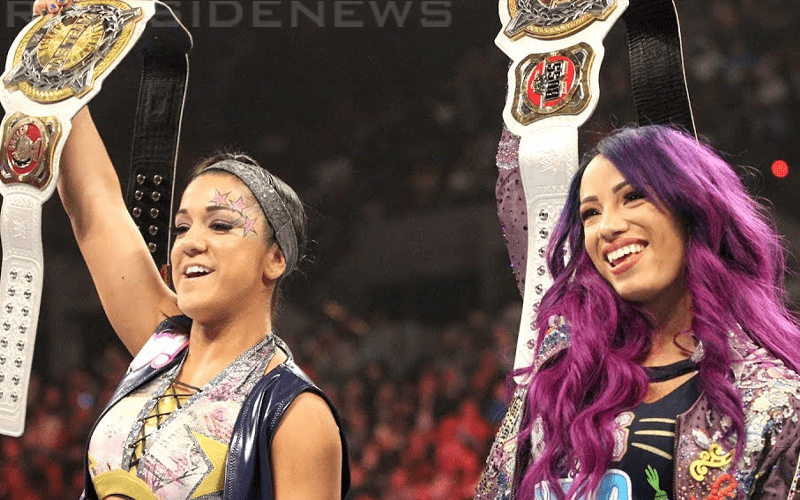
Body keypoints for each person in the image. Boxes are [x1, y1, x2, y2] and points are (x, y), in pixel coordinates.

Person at [33, 1, 350, 498]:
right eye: (181, 227)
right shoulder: (161, 345)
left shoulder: (297, 416)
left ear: (275, 259)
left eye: (221, 225)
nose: (190, 243)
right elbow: (95, 213)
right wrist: (63, 63)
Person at [476, 125, 800, 500]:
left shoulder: (774, 403)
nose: (608, 227)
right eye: (590, 213)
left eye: (632, 197)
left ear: (694, 209)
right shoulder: (558, 384)